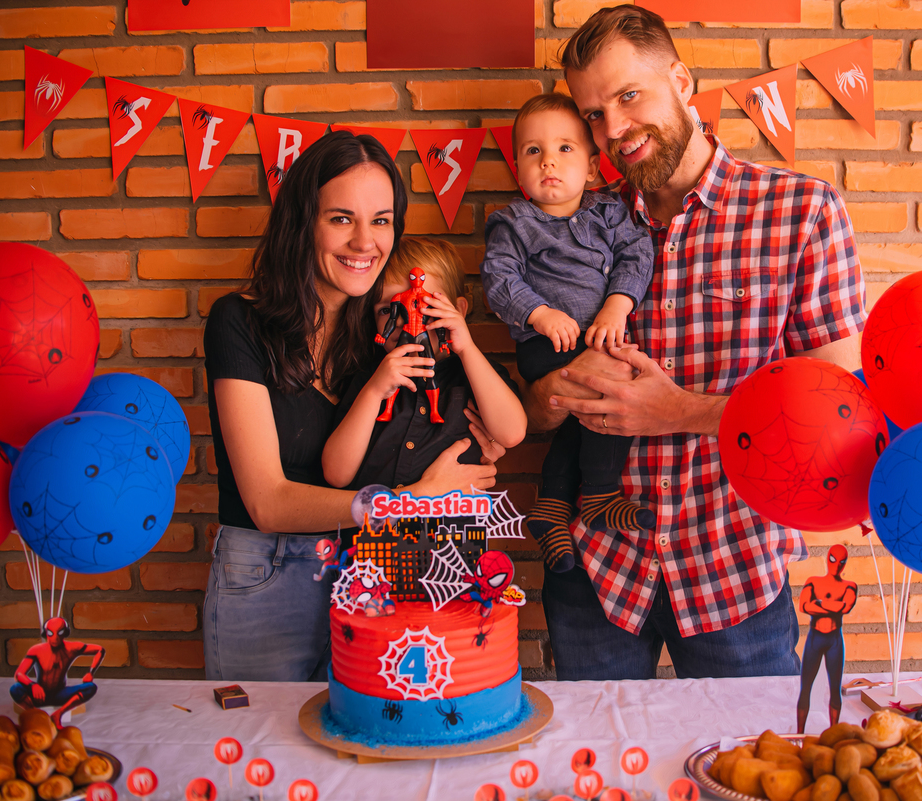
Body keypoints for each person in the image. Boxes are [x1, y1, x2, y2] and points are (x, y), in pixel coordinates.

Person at [523, 5, 866, 680]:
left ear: (681, 82)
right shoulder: (573, 228)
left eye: (629, 96)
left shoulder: (801, 212)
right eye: (593, 114)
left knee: (748, 777)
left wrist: (678, 411)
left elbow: (842, 408)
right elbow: (533, 411)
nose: (613, 130)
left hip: (734, 568)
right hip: (597, 573)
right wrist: (550, 393)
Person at [202, 132, 505, 682]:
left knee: (358, 746)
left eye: (382, 220)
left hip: (371, 573)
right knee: (254, 754)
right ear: (304, 223)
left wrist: (472, 446)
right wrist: (407, 501)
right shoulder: (239, 322)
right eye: (341, 218)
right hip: (266, 574)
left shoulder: (380, 332)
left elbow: (455, 427)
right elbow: (268, 502)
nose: (365, 242)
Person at [481, 93, 654, 575]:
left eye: (565, 149)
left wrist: (618, 306)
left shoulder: (610, 214)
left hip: (599, 335)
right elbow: (499, 278)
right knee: (610, 391)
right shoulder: (514, 223)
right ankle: (599, 493)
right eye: (533, 151)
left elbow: (637, 255)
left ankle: (553, 504)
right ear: (518, 167)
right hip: (545, 345)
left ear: (594, 168)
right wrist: (537, 313)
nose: (548, 161)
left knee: (590, 413)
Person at [322, 237, 526, 493]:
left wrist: (466, 348)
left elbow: (511, 433)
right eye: (387, 310)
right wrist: (374, 392)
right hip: (375, 528)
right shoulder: (368, 378)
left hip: (450, 530)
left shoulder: (476, 374)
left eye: (426, 306)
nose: (405, 321)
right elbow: (336, 474)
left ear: (458, 311)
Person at [797, 544, 857, 732]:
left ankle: (834, 732)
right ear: (827, 558)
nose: (837, 565)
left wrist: (820, 602)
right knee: (805, 687)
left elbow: (845, 607)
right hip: (815, 638)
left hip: (834, 641)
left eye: (841, 562)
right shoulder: (813, 581)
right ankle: (799, 734)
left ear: (845, 563)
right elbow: (804, 606)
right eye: (833, 559)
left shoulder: (850, 586)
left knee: (835, 690)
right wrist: (833, 605)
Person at [10, 617, 104, 728]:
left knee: (90, 687)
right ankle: (36, 714)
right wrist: (33, 685)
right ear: (45, 633)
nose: (55, 638)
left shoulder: (72, 648)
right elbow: (19, 674)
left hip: (60, 694)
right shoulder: (36, 650)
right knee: (15, 688)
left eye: (60, 633)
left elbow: (99, 650)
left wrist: (91, 672)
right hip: (40, 695)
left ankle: (58, 714)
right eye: (50, 633)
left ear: (66, 633)